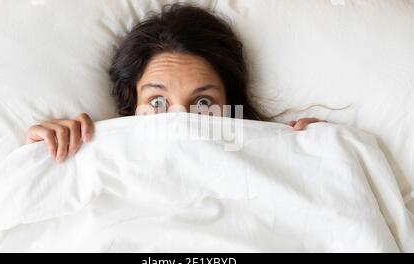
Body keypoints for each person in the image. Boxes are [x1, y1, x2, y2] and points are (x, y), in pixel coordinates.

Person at [26, 4, 324, 163]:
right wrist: (43, 157)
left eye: (203, 103)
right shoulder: (97, 157)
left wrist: (311, 156)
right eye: (157, 102)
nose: (180, 121)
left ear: (230, 106)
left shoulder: (263, 158)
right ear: (133, 103)